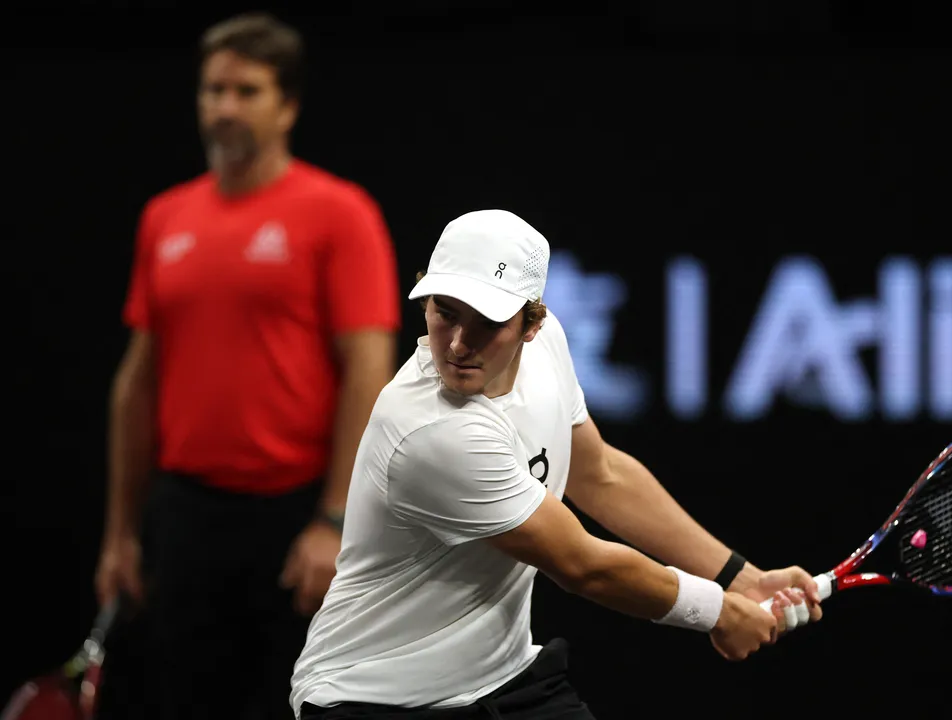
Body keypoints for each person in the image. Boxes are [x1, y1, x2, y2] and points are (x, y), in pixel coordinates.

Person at [289, 209, 823, 720]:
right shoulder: (432, 431)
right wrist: (719, 611)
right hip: (373, 698)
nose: (457, 344)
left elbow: (601, 475)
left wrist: (740, 578)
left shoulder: (548, 352)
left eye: (488, 322)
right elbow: (582, 565)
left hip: (504, 681)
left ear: (531, 322)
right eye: (444, 312)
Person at [93, 12, 401, 720]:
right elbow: (136, 383)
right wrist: (120, 531)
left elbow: (368, 373)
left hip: (295, 521)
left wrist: (334, 519)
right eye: (212, 90)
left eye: (246, 91)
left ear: (287, 105)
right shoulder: (165, 218)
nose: (224, 107)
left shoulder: (339, 213)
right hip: (186, 518)